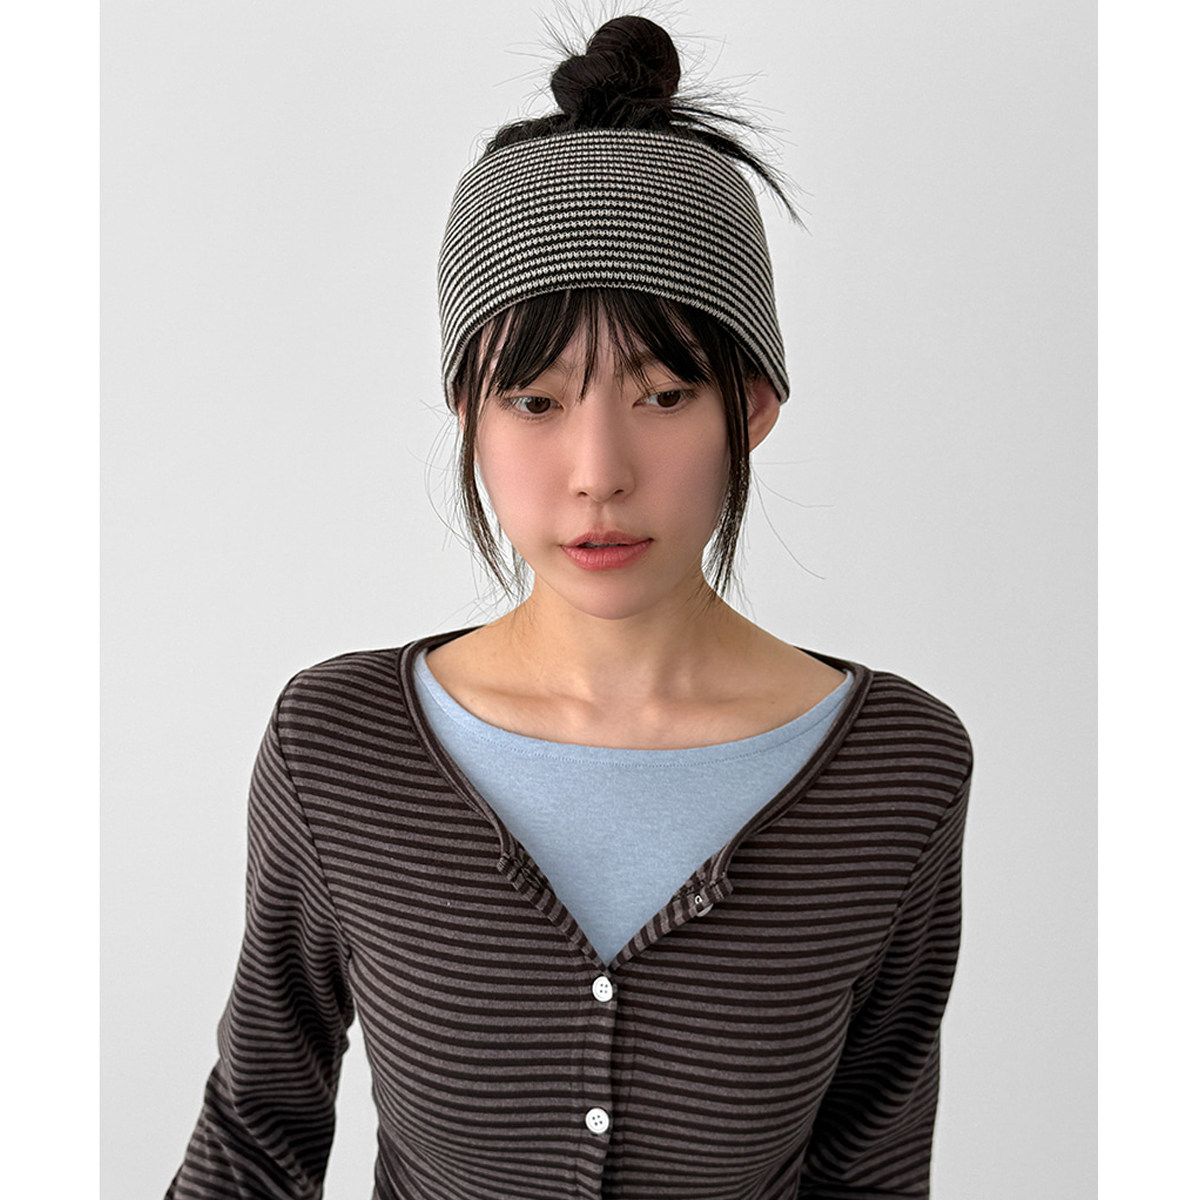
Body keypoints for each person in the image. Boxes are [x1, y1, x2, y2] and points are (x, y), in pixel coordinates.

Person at [166, 15, 972, 1200]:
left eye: (663, 393)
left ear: (751, 405)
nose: (598, 471)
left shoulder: (899, 771)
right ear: (468, 414)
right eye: (536, 401)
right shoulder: (336, 747)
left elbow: (873, 1169)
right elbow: (256, 1135)